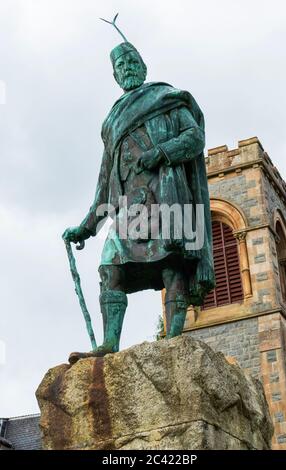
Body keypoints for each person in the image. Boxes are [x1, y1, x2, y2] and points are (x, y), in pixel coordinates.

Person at [63, 41, 215, 364]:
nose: (127, 68)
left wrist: (161, 153)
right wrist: (86, 228)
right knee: (109, 267)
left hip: (168, 197)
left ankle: (174, 341)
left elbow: (195, 138)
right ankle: (109, 344)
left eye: (132, 61)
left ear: (143, 65)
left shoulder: (168, 100)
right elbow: (105, 184)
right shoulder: (112, 121)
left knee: (172, 268)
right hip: (130, 210)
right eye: (120, 65)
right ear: (115, 75)